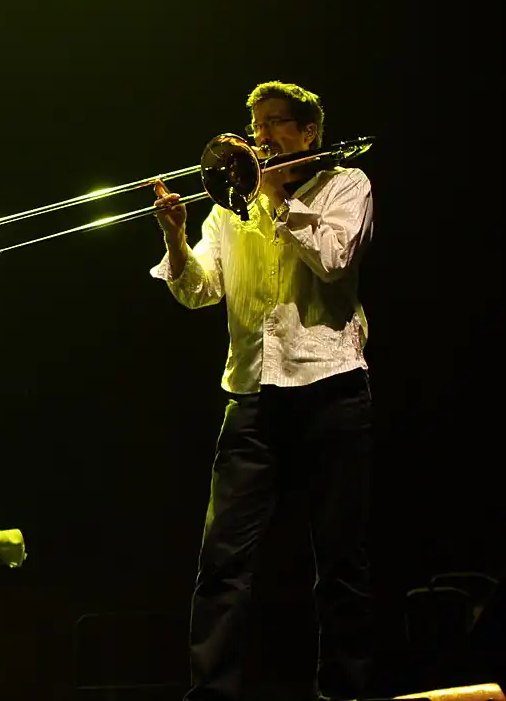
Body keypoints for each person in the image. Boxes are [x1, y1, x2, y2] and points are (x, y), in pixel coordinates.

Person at [150, 81, 376, 701]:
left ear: (308, 133)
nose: (261, 137)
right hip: (251, 394)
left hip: (330, 386)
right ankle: (212, 693)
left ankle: (346, 692)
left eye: (276, 123)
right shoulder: (229, 208)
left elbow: (334, 260)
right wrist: (175, 236)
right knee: (222, 560)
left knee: (341, 559)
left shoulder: (346, 186)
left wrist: (277, 200)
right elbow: (199, 291)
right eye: (256, 126)